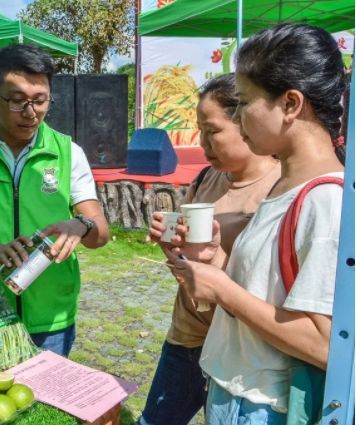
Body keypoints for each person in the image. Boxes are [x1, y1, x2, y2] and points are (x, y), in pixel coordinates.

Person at [165, 23, 346, 424]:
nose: (239, 116)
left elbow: (325, 345)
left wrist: (225, 291)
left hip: (265, 406)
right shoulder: (287, 184)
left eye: (245, 103)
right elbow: (267, 293)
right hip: (236, 390)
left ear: (291, 104)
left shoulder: (326, 201)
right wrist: (212, 263)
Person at [0, 43, 110, 357]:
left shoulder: (68, 152)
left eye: (40, 100)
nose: (30, 112)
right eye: (17, 100)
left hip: (52, 316)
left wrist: (81, 225)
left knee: (48, 401)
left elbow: (100, 233)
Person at [140, 73, 281, 425]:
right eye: (200, 130)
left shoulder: (279, 189)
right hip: (186, 337)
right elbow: (186, 265)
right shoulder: (206, 178)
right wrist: (170, 244)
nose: (203, 143)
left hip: (238, 350)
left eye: (213, 130)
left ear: (245, 122)